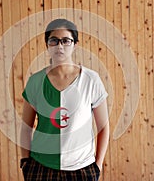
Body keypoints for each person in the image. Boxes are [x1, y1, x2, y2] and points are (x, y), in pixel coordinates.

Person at [20, 19, 109, 181]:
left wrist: (98, 165)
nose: (60, 46)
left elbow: (103, 127)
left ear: (75, 44)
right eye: (54, 40)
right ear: (47, 44)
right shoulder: (36, 81)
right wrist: (25, 162)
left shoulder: (91, 80)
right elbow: (26, 127)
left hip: (82, 168)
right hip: (41, 166)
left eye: (66, 41)